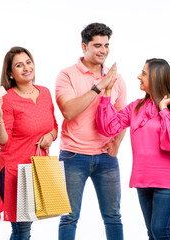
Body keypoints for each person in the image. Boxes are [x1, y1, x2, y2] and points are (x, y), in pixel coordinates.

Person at [95, 58, 170, 240]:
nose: (139, 76)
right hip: (143, 179)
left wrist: (163, 110)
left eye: (144, 73)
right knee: (152, 233)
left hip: (168, 180)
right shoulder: (136, 107)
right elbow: (108, 127)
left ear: (156, 77)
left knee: (160, 231)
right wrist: (107, 91)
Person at [55, 23, 127, 240]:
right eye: (97, 45)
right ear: (84, 46)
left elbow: (123, 117)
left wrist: (116, 144)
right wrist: (99, 86)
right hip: (73, 156)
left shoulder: (118, 79)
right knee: (69, 216)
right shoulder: (66, 75)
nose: (103, 50)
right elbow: (69, 111)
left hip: (106, 157)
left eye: (106, 45)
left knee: (113, 216)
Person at [0, 46, 58, 239]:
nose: (26, 67)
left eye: (28, 62)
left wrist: (50, 137)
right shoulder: (7, 99)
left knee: (25, 228)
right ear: (10, 73)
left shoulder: (44, 92)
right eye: (19, 65)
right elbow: (3, 142)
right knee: (21, 229)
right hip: (14, 171)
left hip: (38, 168)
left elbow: (54, 126)